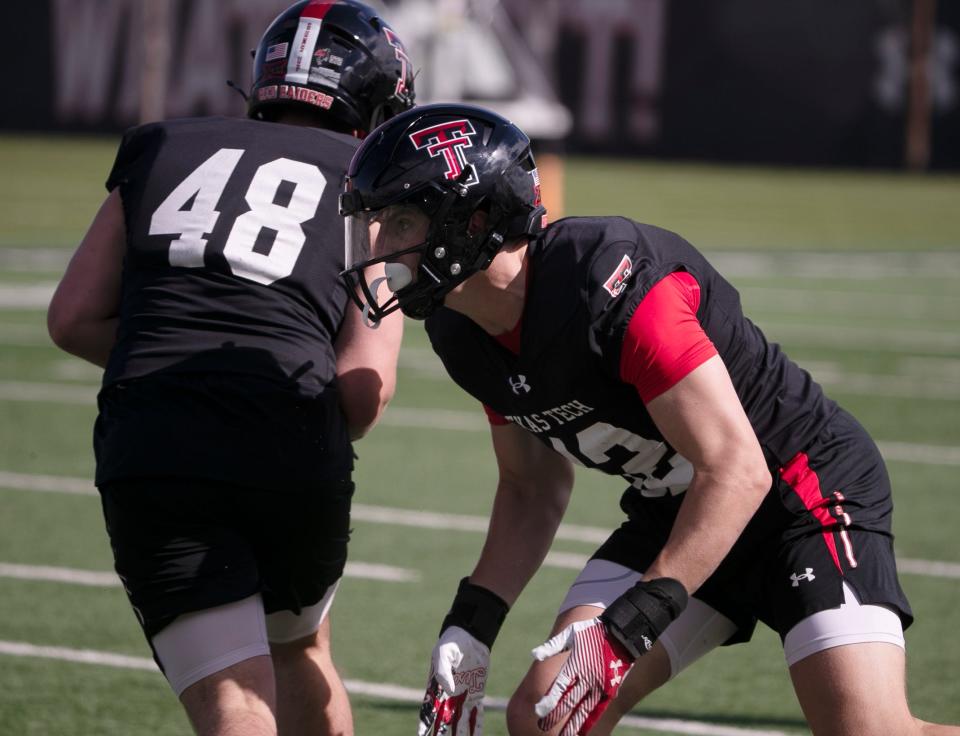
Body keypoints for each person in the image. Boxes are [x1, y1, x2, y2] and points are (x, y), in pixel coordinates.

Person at [338, 103, 960, 736]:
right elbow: (531, 486)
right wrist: (471, 624)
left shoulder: (607, 279)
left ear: (470, 222)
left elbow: (739, 470)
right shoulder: (458, 326)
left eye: (402, 221)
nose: (380, 246)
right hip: (683, 505)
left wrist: (628, 626)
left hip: (798, 491)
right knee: (552, 715)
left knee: (870, 730)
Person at [45, 2, 415, 735]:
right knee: (301, 651)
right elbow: (363, 391)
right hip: (292, 432)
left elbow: (73, 318)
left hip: (155, 436)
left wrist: (175, 358)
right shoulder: (371, 183)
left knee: (233, 699)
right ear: (375, 103)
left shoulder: (161, 145)